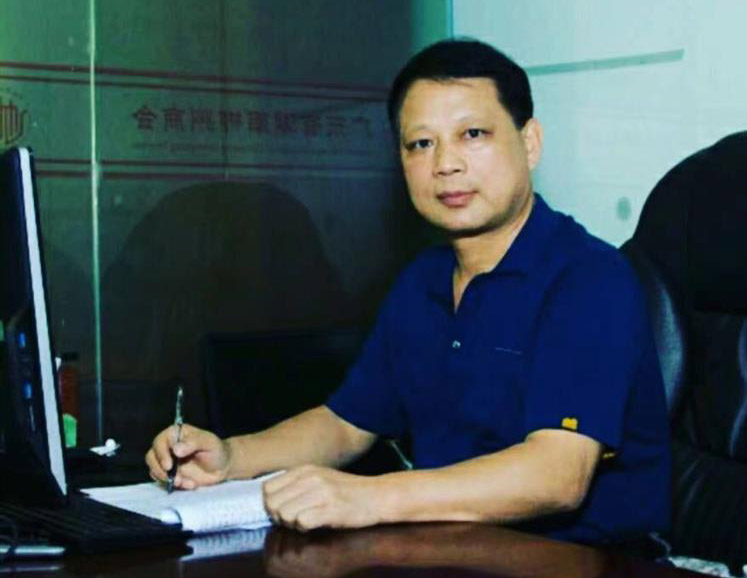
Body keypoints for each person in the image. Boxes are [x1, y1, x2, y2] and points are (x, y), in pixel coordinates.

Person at [147, 38, 671, 546]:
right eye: (422, 143)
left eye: (472, 134)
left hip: (587, 561)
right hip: (453, 550)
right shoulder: (423, 281)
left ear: (529, 142)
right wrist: (232, 457)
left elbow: (557, 476)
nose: (446, 164)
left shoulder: (589, 277)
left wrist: (368, 498)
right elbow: (346, 425)